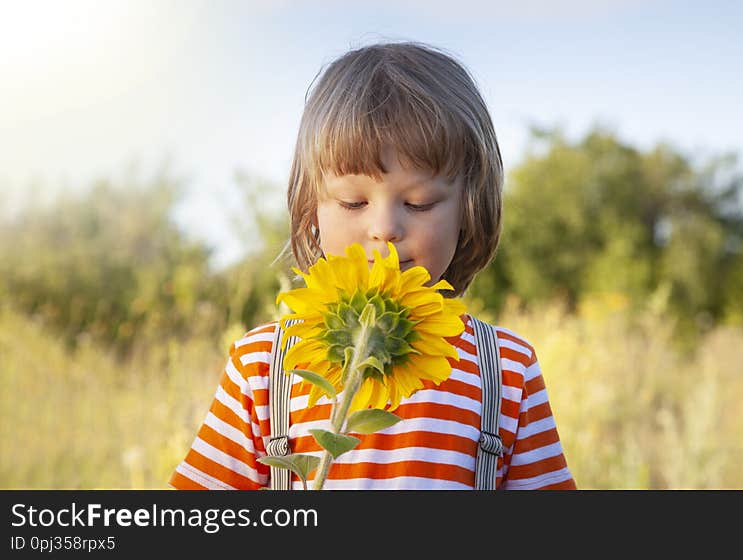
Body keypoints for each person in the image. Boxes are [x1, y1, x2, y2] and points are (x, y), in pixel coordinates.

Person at [170, 41, 576, 490]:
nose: (384, 228)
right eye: (353, 201)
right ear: (311, 208)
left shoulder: (506, 370)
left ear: (470, 208)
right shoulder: (264, 368)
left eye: (419, 203)